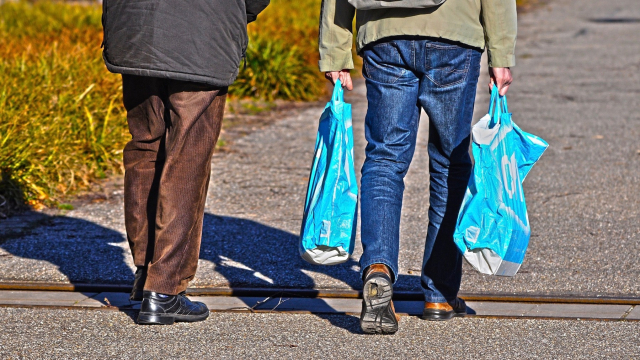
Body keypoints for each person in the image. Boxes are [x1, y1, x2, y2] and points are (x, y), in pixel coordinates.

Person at [319, 0, 516, 333]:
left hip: (383, 34)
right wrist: (502, 54)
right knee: (449, 163)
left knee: (384, 158)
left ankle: (378, 268)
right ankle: (440, 294)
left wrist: (335, 50)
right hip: (454, 34)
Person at [101, 0, 269, 325]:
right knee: (187, 158)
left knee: (145, 148)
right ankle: (163, 290)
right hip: (201, 34)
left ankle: (144, 273)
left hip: (134, 30)